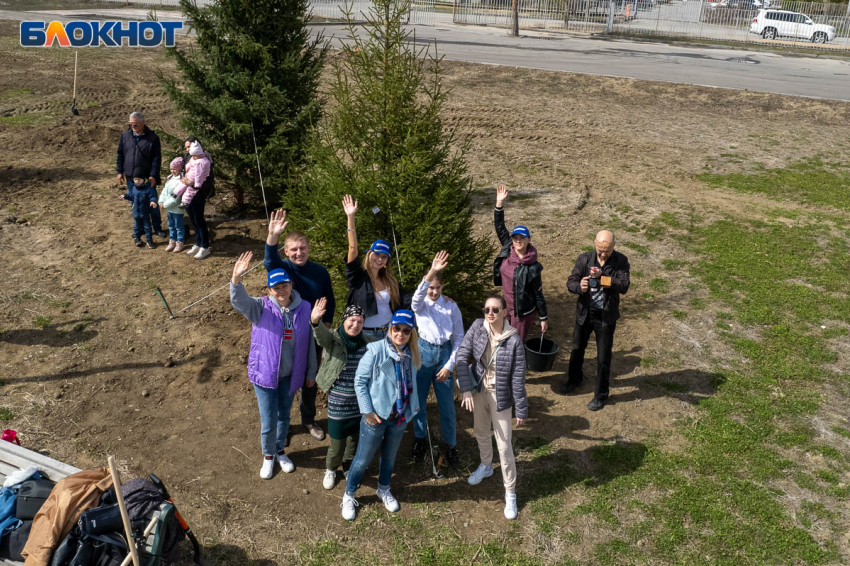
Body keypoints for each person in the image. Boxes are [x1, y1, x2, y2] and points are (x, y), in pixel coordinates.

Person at [229, 251, 317, 479]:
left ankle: (279, 450)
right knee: (268, 420)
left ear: (291, 285)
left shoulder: (305, 307)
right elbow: (239, 301)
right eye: (276, 287)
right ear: (269, 290)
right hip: (266, 374)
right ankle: (268, 456)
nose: (281, 290)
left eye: (284, 285)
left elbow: (308, 342)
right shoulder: (260, 307)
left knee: (284, 416)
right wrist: (236, 279)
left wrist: (310, 371)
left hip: (291, 374)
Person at [341, 310, 421, 521]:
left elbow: (412, 383)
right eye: (397, 328)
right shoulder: (376, 350)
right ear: (390, 328)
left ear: (411, 333)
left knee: (390, 455)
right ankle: (349, 494)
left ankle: (383, 488)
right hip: (376, 417)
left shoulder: (412, 354)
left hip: (399, 417)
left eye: (406, 330)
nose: (400, 334)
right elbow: (360, 382)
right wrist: (367, 411)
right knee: (363, 459)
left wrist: (413, 409)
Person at [265, 208, 336, 441]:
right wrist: (272, 236)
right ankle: (282, 425)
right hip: (286, 336)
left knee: (309, 379)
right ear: (286, 251)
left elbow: (330, 300)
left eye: (302, 248)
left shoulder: (320, 272)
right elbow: (269, 260)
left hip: (312, 335)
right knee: (283, 379)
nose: (298, 253)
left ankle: (308, 419)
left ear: (309, 249)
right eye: (293, 249)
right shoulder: (283, 269)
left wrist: (324, 329)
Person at [456, 294, 527, 521]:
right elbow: (462, 356)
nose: (490, 313)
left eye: (495, 309)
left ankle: (510, 492)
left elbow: (518, 378)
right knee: (480, 432)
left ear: (505, 312)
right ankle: (486, 465)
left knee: (504, 445)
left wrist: (522, 409)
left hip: (501, 397)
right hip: (478, 392)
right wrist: (466, 389)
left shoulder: (514, 340)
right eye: (486, 309)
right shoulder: (478, 327)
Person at [311, 300, 379, 490]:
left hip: (360, 402)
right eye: (351, 320)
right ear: (344, 320)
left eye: (359, 321)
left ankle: (348, 466)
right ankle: (331, 468)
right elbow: (321, 336)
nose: (355, 325)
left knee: (354, 439)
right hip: (338, 402)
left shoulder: (369, 342)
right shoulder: (333, 338)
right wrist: (315, 321)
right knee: (337, 442)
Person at [560, 231, 630, 411]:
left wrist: (603, 278)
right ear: (595, 244)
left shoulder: (621, 261)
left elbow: (623, 286)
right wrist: (579, 287)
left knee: (603, 357)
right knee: (577, 348)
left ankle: (600, 395)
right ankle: (574, 380)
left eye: (606, 250)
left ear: (614, 246)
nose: (603, 254)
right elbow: (571, 281)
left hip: (606, 317)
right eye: (600, 250)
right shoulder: (584, 259)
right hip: (585, 313)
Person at [409, 250, 464, 468]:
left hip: (444, 355)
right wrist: (432, 271)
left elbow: (459, 337)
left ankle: (451, 446)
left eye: (437, 288)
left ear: (443, 288)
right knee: (419, 402)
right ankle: (420, 439)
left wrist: (450, 366)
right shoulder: (420, 305)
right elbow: (416, 297)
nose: (433, 292)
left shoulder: (451, 306)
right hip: (423, 354)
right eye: (431, 288)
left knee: (447, 406)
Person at [342, 195, 412, 339]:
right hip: (363, 334)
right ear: (369, 254)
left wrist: (435, 297)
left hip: (388, 333)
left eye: (384, 256)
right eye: (377, 254)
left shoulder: (390, 281)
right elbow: (352, 248)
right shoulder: (358, 277)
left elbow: (410, 301)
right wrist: (351, 217)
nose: (380, 259)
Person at [493, 185, 548, 343]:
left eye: (522, 238)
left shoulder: (533, 266)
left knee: (515, 344)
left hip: (522, 313)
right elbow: (500, 226)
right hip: (506, 308)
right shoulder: (507, 248)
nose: (518, 241)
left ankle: (516, 368)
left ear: (528, 239)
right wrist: (499, 203)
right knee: (501, 340)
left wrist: (543, 317)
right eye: (515, 238)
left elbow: (538, 294)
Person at [115, 112, 166, 238]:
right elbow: (120, 154)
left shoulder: (152, 138)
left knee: (152, 203)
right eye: (130, 124)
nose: (133, 126)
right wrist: (119, 171)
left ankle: (157, 227)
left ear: (143, 123)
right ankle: (140, 228)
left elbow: (156, 158)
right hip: (131, 177)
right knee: (135, 203)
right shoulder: (125, 135)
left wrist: (153, 175)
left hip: (147, 179)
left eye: (135, 124)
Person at [180, 137, 212, 260]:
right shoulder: (188, 158)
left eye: (189, 146)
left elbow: (209, 180)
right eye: (186, 147)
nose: (187, 149)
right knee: (192, 219)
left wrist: (193, 184)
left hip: (198, 193)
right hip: (187, 193)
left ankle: (205, 246)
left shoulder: (204, 159)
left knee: (199, 219)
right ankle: (198, 243)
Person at [119, 177, 158, 249]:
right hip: (136, 212)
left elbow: (152, 196)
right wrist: (125, 196)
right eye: (135, 179)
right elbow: (132, 197)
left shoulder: (148, 189)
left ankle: (149, 241)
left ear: (144, 180)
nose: (137, 181)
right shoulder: (134, 188)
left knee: (147, 227)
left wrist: (153, 201)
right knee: (136, 226)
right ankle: (137, 239)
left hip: (145, 212)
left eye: (139, 179)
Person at [158, 157, 187, 252]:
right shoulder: (170, 178)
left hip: (177, 208)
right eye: (171, 169)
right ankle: (172, 241)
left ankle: (180, 242)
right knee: (171, 225)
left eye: (174, 169)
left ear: (180, 168)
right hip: (169, 208)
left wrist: (165, 205)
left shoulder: (181, 180)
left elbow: (176, 197)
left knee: (178, 226)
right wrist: (161, 201)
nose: (172, 171)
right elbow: (164, 191)